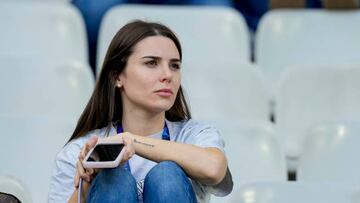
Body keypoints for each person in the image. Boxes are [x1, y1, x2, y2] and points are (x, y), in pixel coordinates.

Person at [48, 20, 233, 203]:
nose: (168, 75)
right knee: (114, 180)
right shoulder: (81, 151)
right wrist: (88, 181)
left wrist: (131, 141)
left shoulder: (195, 135)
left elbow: (214, 169)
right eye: (151, 63)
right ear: (117, 76)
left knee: (166, 175)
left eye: (174, 66)